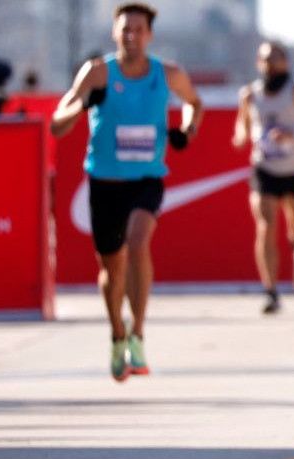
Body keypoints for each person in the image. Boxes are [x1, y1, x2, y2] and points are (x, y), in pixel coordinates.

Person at [50, 2, 202, 383]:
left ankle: (138, 333)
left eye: (138, 29)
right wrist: (85, 104)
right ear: (114, 33)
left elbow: (194, 104)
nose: (131, 36)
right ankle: (117, 332)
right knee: (111, 268)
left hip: (146, 180)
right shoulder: (98, 72)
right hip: (104, 183)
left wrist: (187, 129)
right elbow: (56, 124)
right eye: (125, 30)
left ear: (149, 35)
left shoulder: (167, 74)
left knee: (138, 243)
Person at [232, 41, 294, 314]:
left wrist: (293, 135)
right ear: (258, 64)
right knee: (266, 225)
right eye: (265, 59)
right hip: (264, 168)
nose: (270, 64)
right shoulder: (249, 94)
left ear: (286, 62)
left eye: (275, 58)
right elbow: (242, 125)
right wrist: (241, 137)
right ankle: (271, 291)